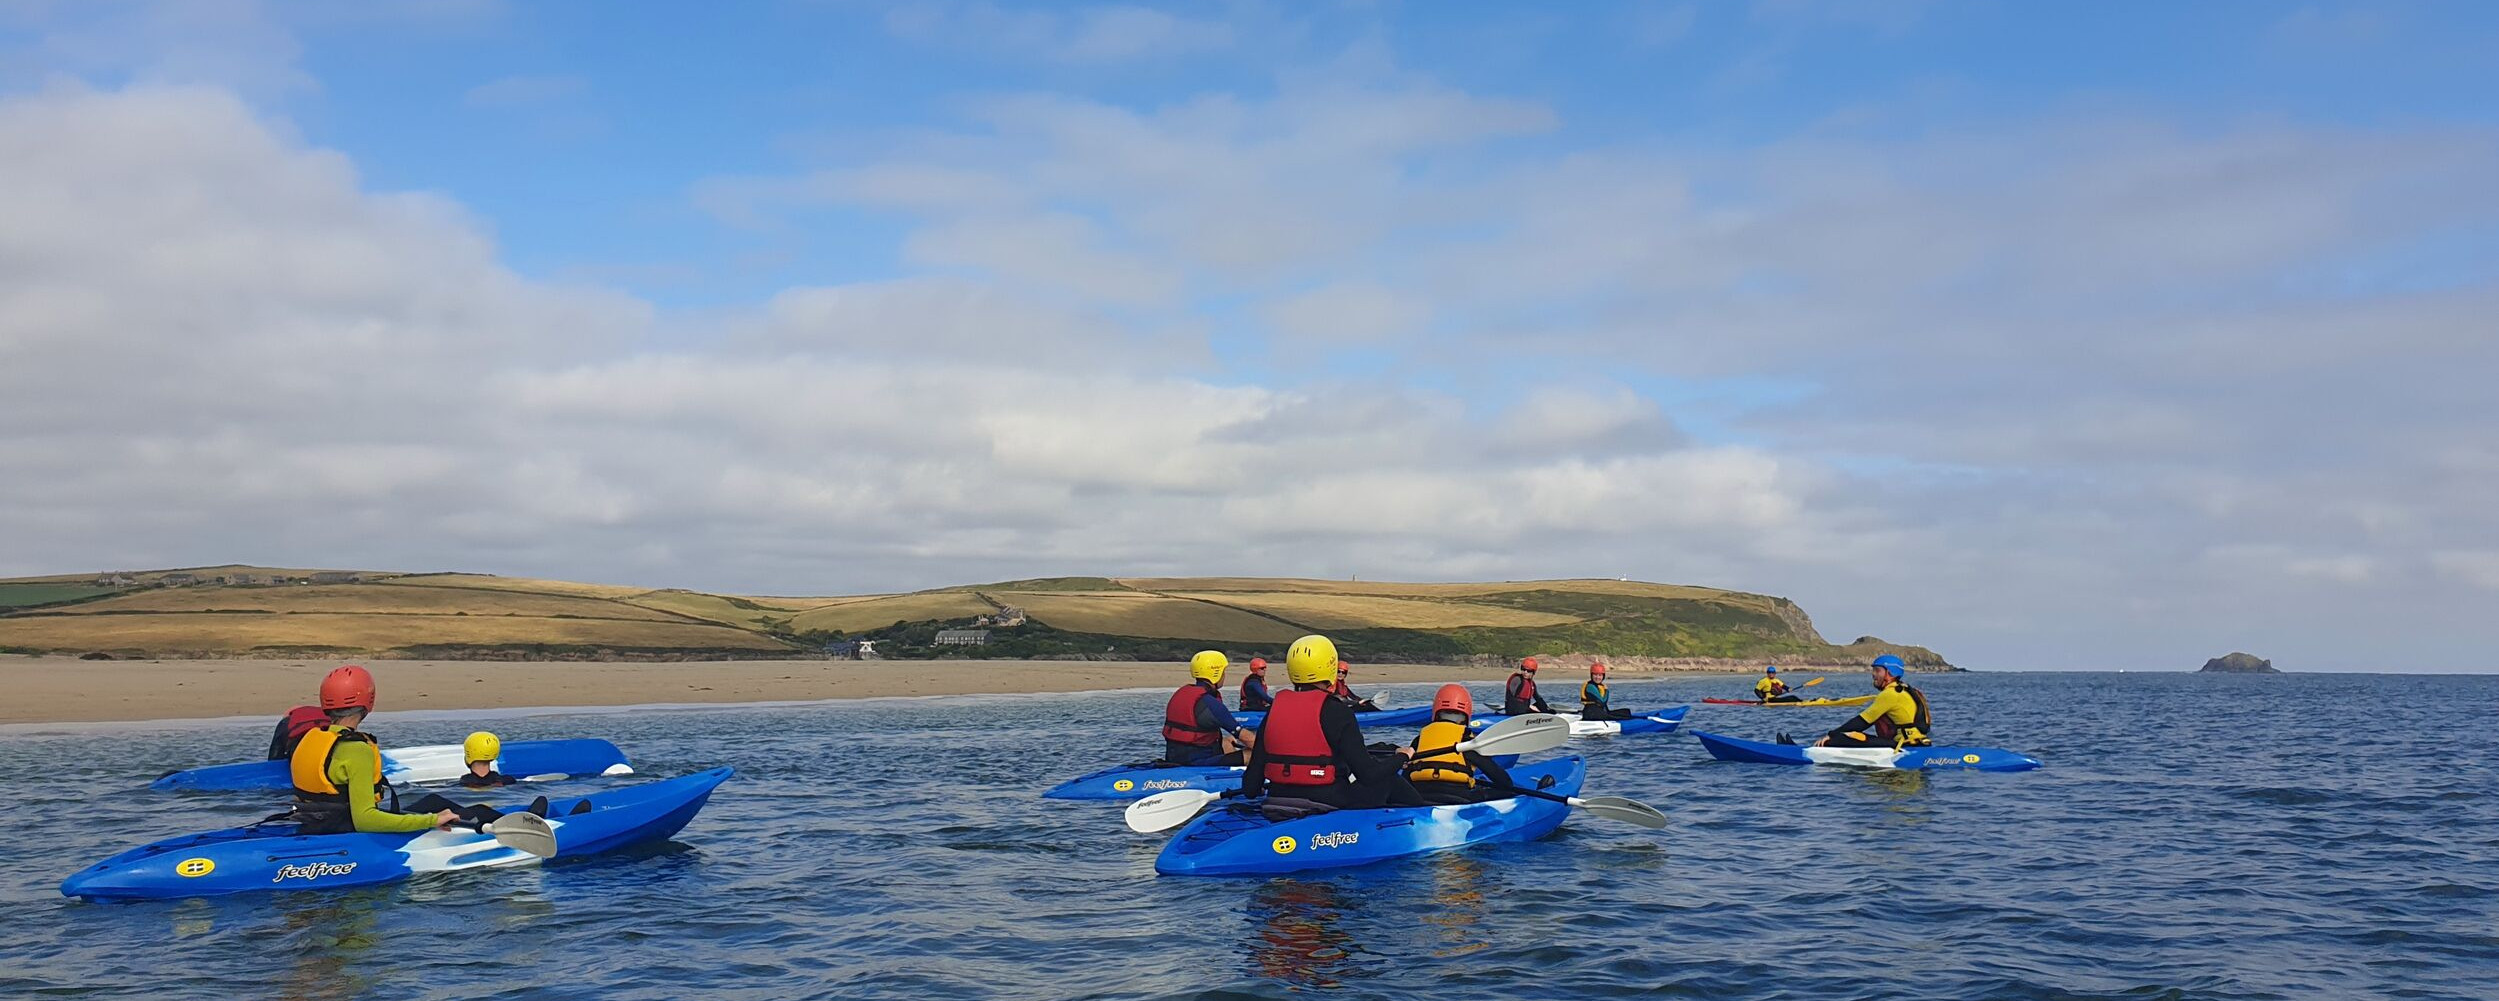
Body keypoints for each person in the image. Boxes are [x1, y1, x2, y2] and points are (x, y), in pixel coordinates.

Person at [286, 665, 541, 834]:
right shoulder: (356, 750)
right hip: (345, 830)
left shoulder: (311, 738)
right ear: (368, 702)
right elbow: (366, 819)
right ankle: (525, 827)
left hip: (314, 824)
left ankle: (520, 820)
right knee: (454, 811)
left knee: (434, 801)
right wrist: (431, 821)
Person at [1240, 634, 1420, 810]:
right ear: (1330, 667)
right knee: (1387, 778)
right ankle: (1429, 815)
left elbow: (1250, 788)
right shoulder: (1337, 710)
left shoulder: (1275, 709)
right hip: (1328, 803)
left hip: (1277, 800)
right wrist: (1402, 757)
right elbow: (1369, 775)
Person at [1400, 684, 1515, 804]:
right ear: (1467, 716)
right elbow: (1504, 782)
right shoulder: (1468, 741)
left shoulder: (1419, 739)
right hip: (1459, 798)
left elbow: (1405, 779)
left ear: (1436, 712)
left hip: (1420, 797)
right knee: (1507, 791)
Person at [1814, 655, 1932, 749]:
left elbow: (1862, 722)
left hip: (1904, 745)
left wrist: (1832, 735)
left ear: (1889, 673)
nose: (1873, 674)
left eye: (1877, 670)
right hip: (1919, 742)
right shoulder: (1906, 690)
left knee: (1840, 738)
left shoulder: (1889, 694)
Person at [1163, 650, 1250, 765]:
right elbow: (1247, 738)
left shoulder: (1180, 694)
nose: (1224, 676)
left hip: (1174, 758)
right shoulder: (1210, 704)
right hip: (1197, 763)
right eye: (1223, 672)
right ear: (1216, 673)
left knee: (1227, 741)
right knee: (1253, 753)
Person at [266, 701, 331, 760]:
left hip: (299, 742)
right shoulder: (328, 715)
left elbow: (274, 758)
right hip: (326, 737)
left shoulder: (285, 722)